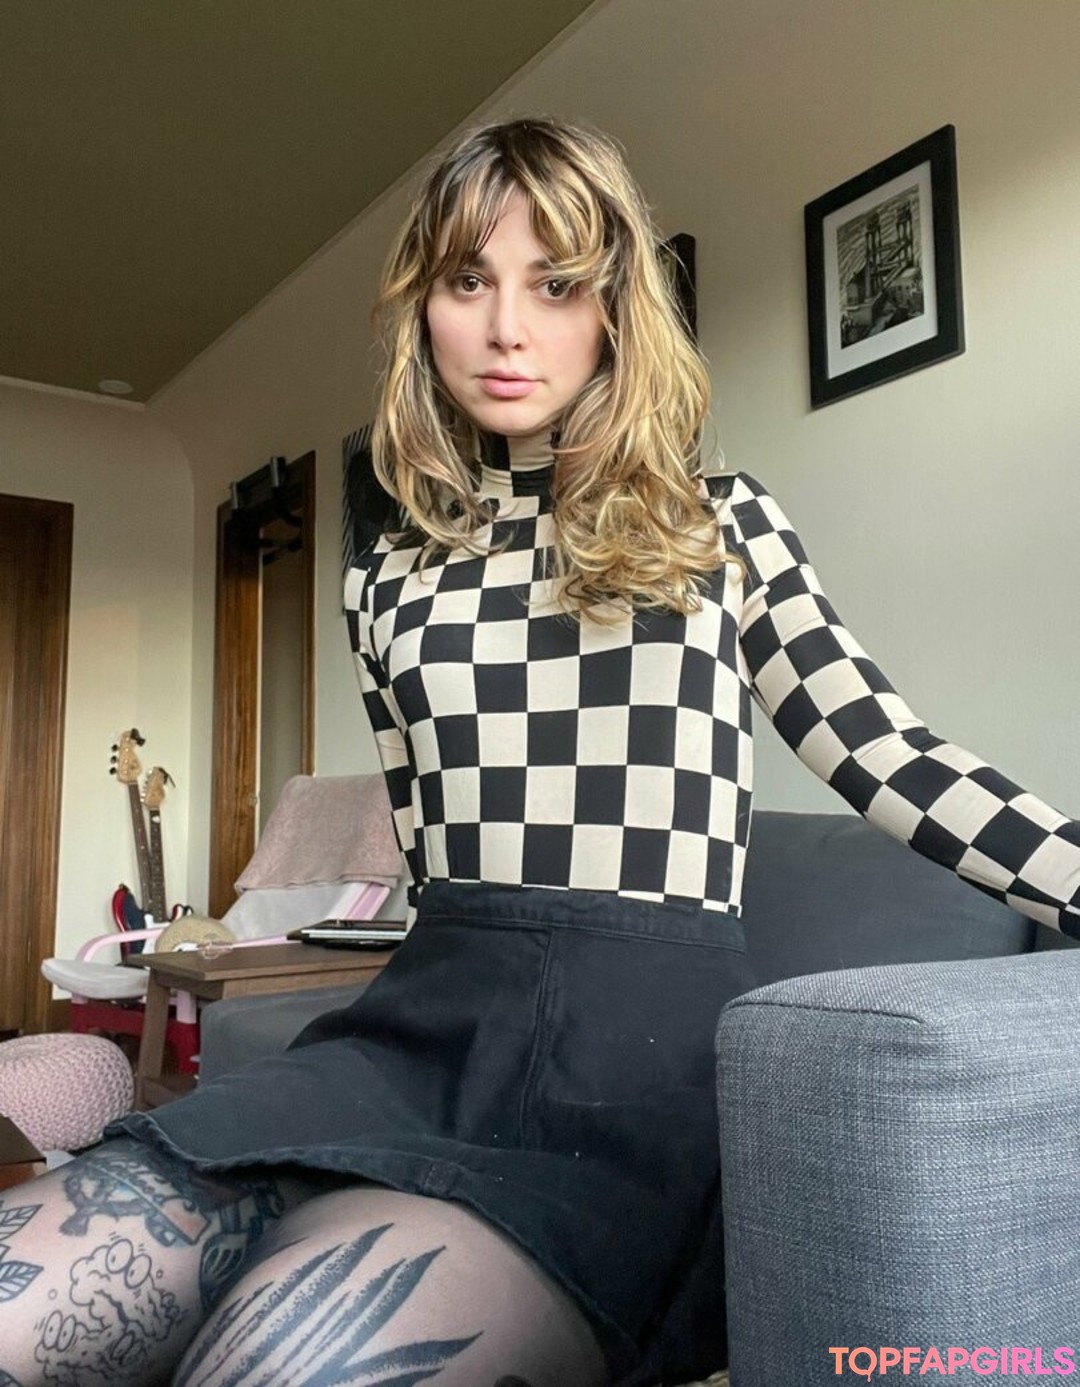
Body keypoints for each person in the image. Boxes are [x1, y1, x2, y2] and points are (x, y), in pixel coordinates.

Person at [3, 115, 1078, 1387]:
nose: (509, 329)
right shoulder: (382, 579)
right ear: (424, 307)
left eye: (557, 284)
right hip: (417, 1031)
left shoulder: (717, 525)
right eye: (470, 281)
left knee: (287, 1363)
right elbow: (429, 854)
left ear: (615, 307)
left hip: (635, 1073)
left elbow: (892, 755)